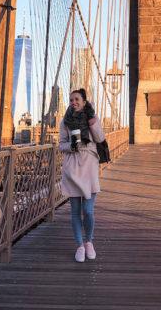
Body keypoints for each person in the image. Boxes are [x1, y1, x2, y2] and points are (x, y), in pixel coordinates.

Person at [59, 88, 106, 262]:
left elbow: (100, 139)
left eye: (77, 99)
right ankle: (79, 245)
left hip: (89, 167)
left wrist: (93, 123)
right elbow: (61, 145)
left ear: (84, 101)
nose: (74, 102)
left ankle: (89, 242)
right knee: (75, 212)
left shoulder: (91, 117)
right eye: (71, 100)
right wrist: (71, 146)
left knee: (88, 211)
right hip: (72, 168)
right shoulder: (65, 121)